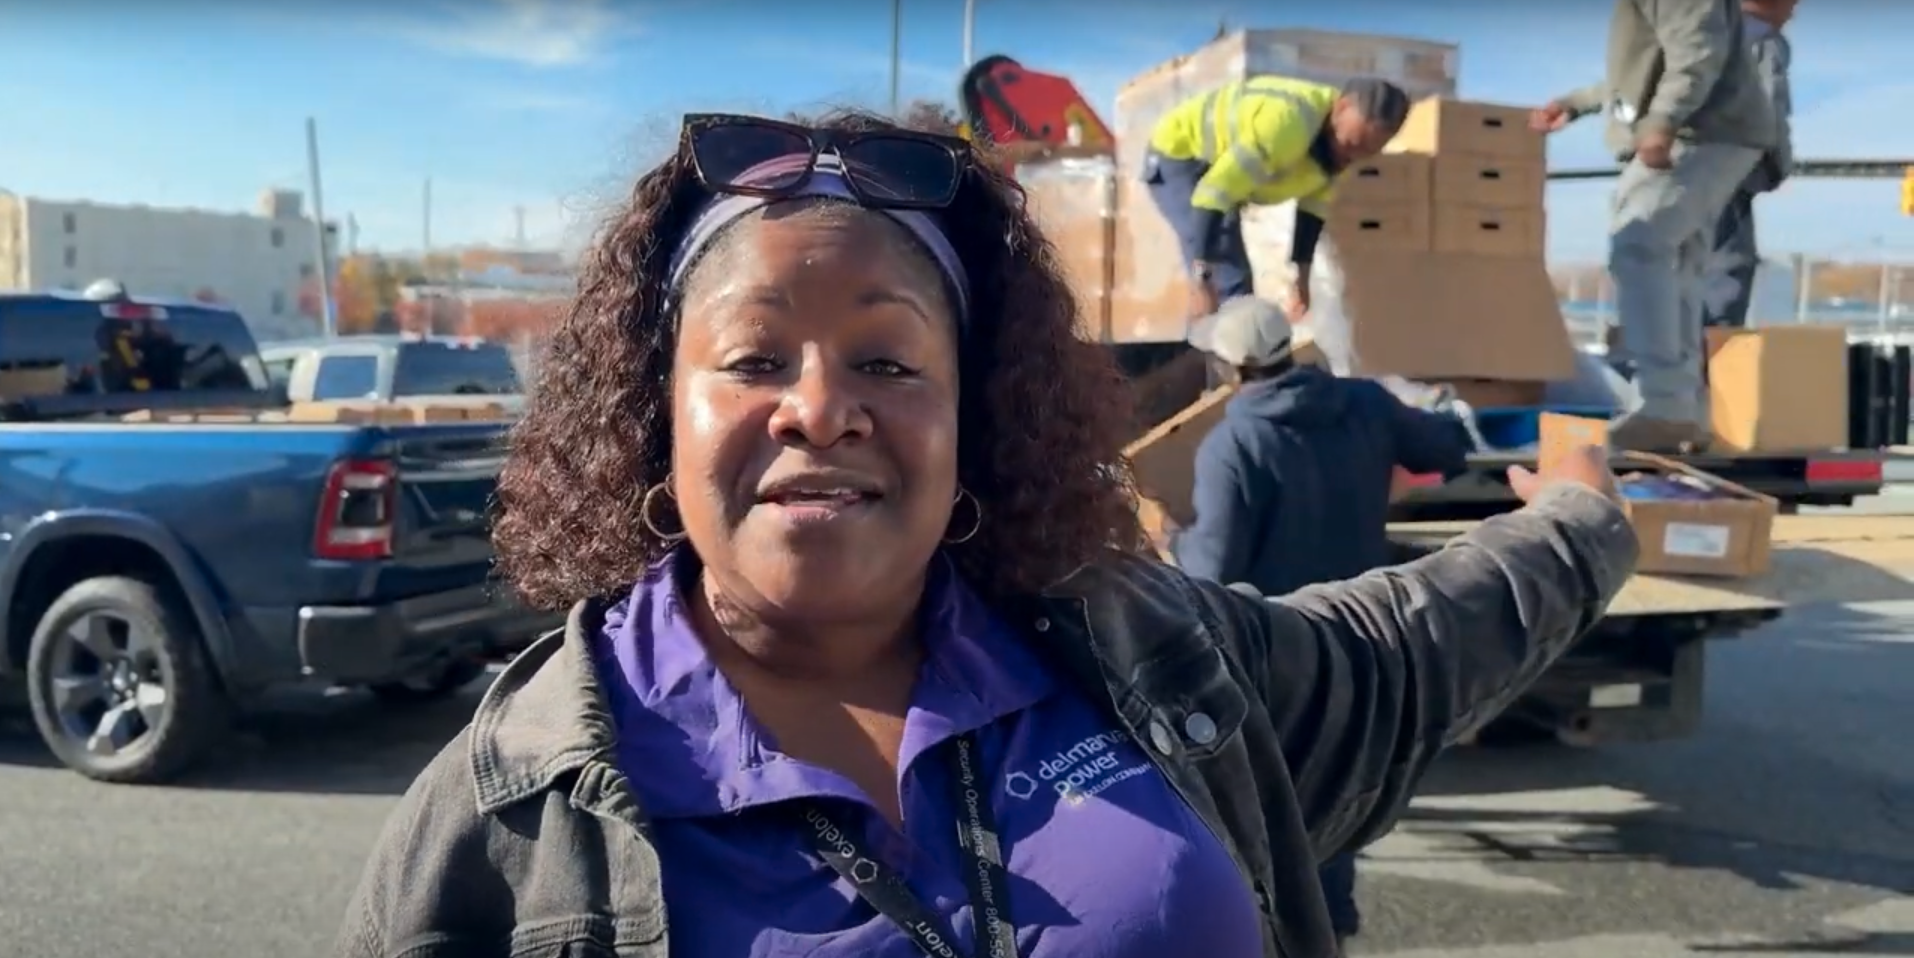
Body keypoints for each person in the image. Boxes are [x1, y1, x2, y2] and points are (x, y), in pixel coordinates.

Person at [335, 109, 1638, 958]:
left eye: (888, 362)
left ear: (972, 418)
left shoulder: (1141, 655)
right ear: (651, 416)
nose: (819, 409)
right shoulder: (512, 809)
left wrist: (1591, 519)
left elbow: (1409, 643)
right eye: (751, 357)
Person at [1169, 296, 1474, 952]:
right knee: (1350, 780)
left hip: (1283, 648)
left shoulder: (1234, 443)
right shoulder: (1363, 402)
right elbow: (1446, 449)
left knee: (1296, 799)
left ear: (1228, 368)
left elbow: (1213, 567)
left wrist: (1169, 537)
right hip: (1368, 629)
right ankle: (1330, 928)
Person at [1530, 0, 1775, 453]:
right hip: (1719, 131)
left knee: (1640, 246)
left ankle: (1665, 407)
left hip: (1696, 131)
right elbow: (1650, 66)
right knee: (1678, 265)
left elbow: (1697, 49)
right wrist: (1580, 101)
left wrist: (1661, 120)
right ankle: (1683, 411)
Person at [1142, 76, 1411, 329]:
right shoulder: (1285, 126)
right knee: (1229, 282)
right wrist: (1201, 277)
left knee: (1234, 286)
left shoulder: (1340, 153)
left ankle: (1230, 363)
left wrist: (1301, 280)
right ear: (1340, 108)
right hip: (1181, 155)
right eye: (1352, 144)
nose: (1352, 157)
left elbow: (1311, 212)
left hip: (1221, 175)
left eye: (1367, 152)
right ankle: (1230, 372)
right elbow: (1212, 194)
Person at [1707, 0, 1800, 328]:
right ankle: (1713, 366)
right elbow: (1769, 110)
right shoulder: (1763, 42)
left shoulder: (1701, 33)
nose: (1793, 13)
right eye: (1794, 1)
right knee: (1726, 272)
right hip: (1729, 174)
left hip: (1681, 173)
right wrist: (1775, 168)